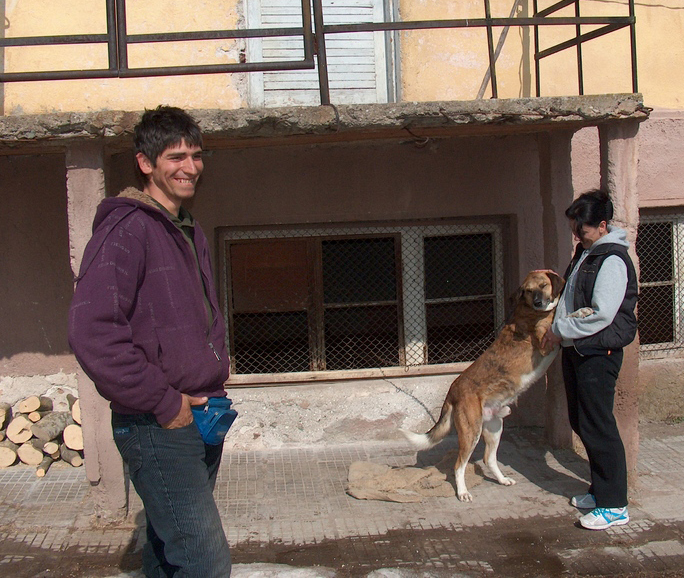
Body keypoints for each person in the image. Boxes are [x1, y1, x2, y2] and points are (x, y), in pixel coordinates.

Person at [68, 106, 232, 576]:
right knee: (204, 561)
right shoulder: (127, 229)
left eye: (196, 155)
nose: (190, 167)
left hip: (200, 414)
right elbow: (92, 331)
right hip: (157, 424)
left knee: (166, 551)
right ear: (145, 163)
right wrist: (164, 403)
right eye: (176, 156)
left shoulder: (187, 229)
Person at [542, 189, 638, 531]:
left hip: (598, 350)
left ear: (601, 225)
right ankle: (600, 491)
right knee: (581, 422)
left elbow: (602, 313)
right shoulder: (588, 252)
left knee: (599, 426)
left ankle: (614, 505)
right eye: (573, 229)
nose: (576, 236)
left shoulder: (610, 259)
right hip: (578, 347)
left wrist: (559, 329)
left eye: (581, 230)